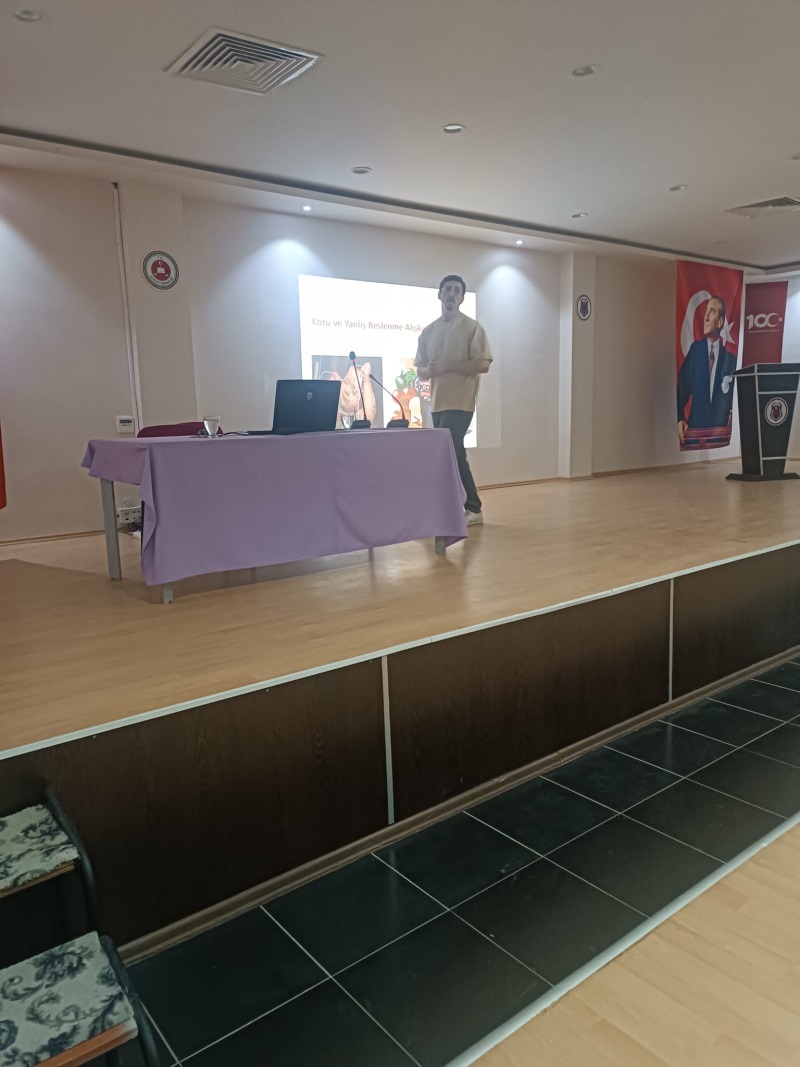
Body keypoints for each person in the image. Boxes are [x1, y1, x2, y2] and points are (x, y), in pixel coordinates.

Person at [415, 275, 493, 525]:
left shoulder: (472, 328)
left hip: (461, 402)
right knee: (447, 454)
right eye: (447, 289)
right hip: (437, 403)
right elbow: (421, 371)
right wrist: (429, 371)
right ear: (439, 294)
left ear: (461, 298)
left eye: (456, 290)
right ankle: (449, 505)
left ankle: (474, 508)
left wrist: (448, 366)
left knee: (454, 451)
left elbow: (483, 364)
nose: (451, 294)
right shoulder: (428, 332)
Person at [677, 295, 737, 444]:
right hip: (695, 435)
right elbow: (682, 387)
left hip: (721, 436)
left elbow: (735, 397)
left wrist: (733, 414)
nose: (706, 317)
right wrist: (679, 417)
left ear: (720, 322)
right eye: (706, 311)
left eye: (712, 312)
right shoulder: (695, 351)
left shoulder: (730, 361)